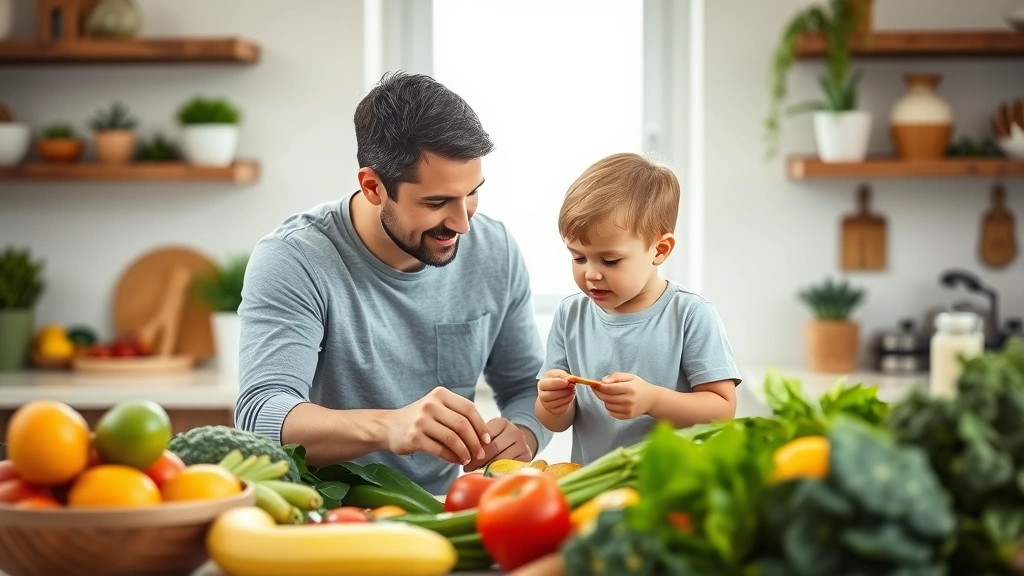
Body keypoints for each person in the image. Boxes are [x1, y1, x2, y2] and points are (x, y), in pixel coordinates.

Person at [234, 72, 551, 495]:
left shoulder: (496, 250)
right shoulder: (294, 259)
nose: (462, 223)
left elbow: (525, 387)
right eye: (437, 203)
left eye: (472, 193)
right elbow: (261, 414)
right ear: (373, 187)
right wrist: (389, 426)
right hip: (319, 511)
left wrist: (524, 432)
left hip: (437, 508)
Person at [534, 152, 741, 465]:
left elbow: (722, 410)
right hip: (596, 493)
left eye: (610, 260)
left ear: (659, 250)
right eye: (578, 258)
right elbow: (556, 423)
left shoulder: (689, 314)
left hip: (670, 493)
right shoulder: (570, 315)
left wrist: (652, 400)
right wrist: (551, 404)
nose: (591, 273)